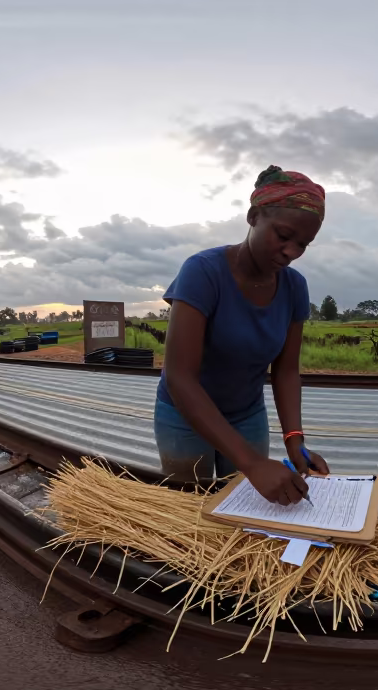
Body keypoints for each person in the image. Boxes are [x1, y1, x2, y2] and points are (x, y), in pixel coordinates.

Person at [156, 165, 330, 506]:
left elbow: (286, 370)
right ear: (253, 216)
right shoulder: (203, 272)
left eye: (303, 244)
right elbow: (180, 377)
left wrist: (295, 440)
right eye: (283, 235)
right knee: (190, 506)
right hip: (184, 415)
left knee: (244, 508)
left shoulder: (294, 287)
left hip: (246, 414)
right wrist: (251, 463)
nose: (291, 252)